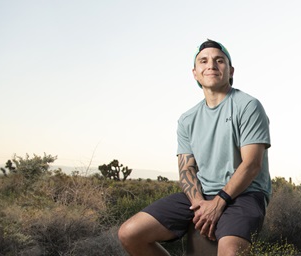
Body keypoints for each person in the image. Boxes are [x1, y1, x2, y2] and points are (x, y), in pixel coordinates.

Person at [117, 39, 272, 256]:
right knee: (130, 233)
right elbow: (186, 169)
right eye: (204, 61)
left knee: (230, 253)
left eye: (219, 60)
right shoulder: (187, 119)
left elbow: (252, 165)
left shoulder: (247, 106)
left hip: (245, 195)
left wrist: (218, 204)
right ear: (195, 73)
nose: (211, 65)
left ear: (230, 70)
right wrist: (200, 204)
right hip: (202, 195)